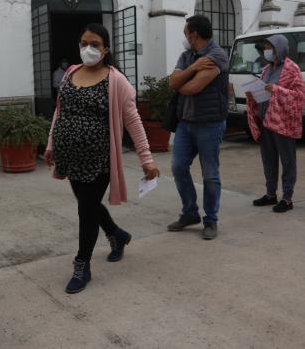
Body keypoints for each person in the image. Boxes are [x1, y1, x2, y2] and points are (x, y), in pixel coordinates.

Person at [44, 23, 159, 294]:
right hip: (70, 157)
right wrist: (51, 144)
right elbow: (60, 113)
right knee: (89, 205)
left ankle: (82, 265)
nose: (88, 49)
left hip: (99, 160)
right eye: (84, 43)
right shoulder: (70, 72)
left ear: (106, 49)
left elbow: (134, 121)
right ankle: (117, 235)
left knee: (86, 209)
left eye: (95, 44)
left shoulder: (115, 80)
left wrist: (147, 159)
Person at [167, 15, 229, 240]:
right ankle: (190, 213)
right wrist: (193, 67)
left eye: (185, 33)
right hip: (186, 123)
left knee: (210, 174)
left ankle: (211, 220)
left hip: (210, 124)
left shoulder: (217, 55)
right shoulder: (188, 56)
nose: (184, 37)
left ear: (193, 34)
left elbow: (192, 87)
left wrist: (182, 80)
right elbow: (172, 83)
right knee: (178, 167)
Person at [246, 35, 305, 212]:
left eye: (269, 46)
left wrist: (277, 90)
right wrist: (253, 96)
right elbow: (263, 91)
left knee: (288, 161)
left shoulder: (291, 68)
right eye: (265, 47)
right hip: (265, 120)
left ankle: (287, 199)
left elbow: (300, 96)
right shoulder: (266, 69)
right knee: (268, 160)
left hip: (283, 122)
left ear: (279, 48)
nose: (267, 50)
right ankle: (271, 194)